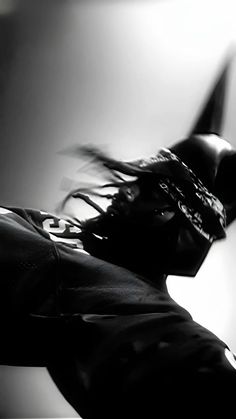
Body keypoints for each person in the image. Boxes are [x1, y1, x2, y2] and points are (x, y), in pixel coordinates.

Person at [1, 57, 236, 418]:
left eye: (161, 187)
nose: (130, 191)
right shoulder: (57, 234)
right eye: (145, 178)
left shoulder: (153, 321)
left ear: (191, 229)